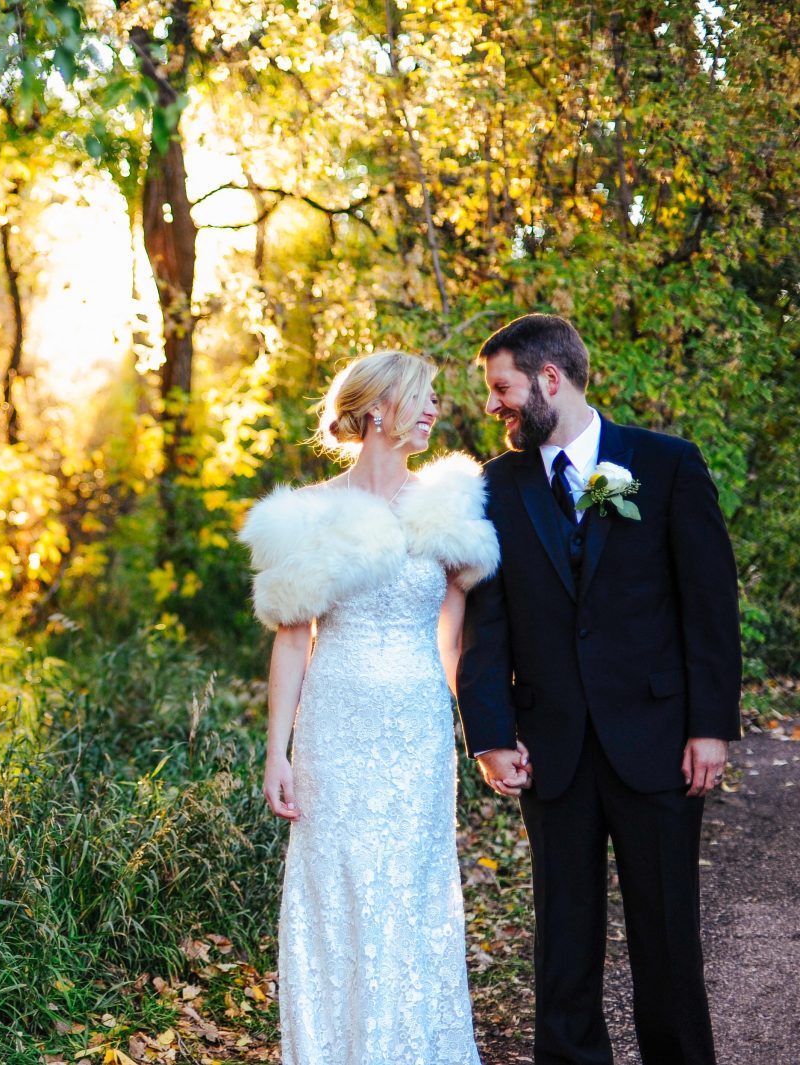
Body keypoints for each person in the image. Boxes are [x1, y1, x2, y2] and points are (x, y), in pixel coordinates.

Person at [457, 313, 741, 1065]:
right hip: (551, 748)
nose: (495, 405)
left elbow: (709, 603)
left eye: (503, 388)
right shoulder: (495, 483)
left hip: (658, 740)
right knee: (562, 942)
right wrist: (488, 733)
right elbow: (488, 623)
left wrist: (710, 724)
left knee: (668, 936)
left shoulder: (668, 462)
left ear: (550, 380)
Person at [240, 350, 498, 1065]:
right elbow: (293, 642)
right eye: (422, 395)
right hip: (336, 727)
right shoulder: (311, 512)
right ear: (377, 408)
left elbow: (453, 637)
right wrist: (277, 751)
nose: (434, 408)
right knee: (337, 889)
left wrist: (480, 733)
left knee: (410, 889)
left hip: (417, 728)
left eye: (436, 397)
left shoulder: (447, 506)